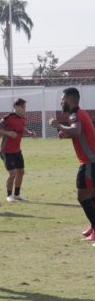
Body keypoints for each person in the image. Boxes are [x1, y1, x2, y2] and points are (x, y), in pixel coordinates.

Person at [49, 87, 95, 241]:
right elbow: (79, 133)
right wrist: (65, 133)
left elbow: (76, 131)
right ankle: (93, 226)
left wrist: (59, 126)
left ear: (70, 100)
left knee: (83, 197)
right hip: (92, 160)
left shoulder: (75, 114)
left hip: (89, 162)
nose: (61, 101)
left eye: (63, 98)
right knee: (92, 195)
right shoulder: (80, 113)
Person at [0, 98, 36, 202]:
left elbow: (22, 128)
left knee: (21, 172)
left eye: (25, 107)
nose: (24, 109)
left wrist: (29, 133)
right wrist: (8, 133)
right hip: (6, 151)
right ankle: (9, 195)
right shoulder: (8, 117)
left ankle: (17, 194)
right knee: (13, 173)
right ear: (16, 107)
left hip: (17, 151)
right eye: (23, 107)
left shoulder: (23, 118)